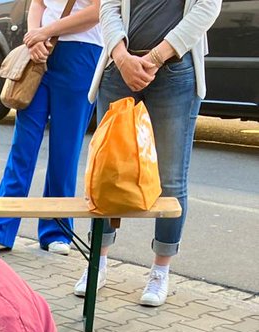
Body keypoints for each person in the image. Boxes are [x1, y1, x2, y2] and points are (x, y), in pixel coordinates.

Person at [81, 0, 222, 306]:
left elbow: (207, 8)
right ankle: (97, 263)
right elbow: (108, 6)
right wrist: (121, 56)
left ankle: (160, 269)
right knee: (107, 170)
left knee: (170, 177)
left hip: (175, 70)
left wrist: (156, 57)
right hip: (119, 68)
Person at [0, 0, 101, 256]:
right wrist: (35, 38)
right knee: (23, 145)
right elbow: (38, 3)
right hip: (40, 52)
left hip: (82, 50)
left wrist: (46, 31)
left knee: (65, 149)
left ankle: (57, 231)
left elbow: (98, 11)